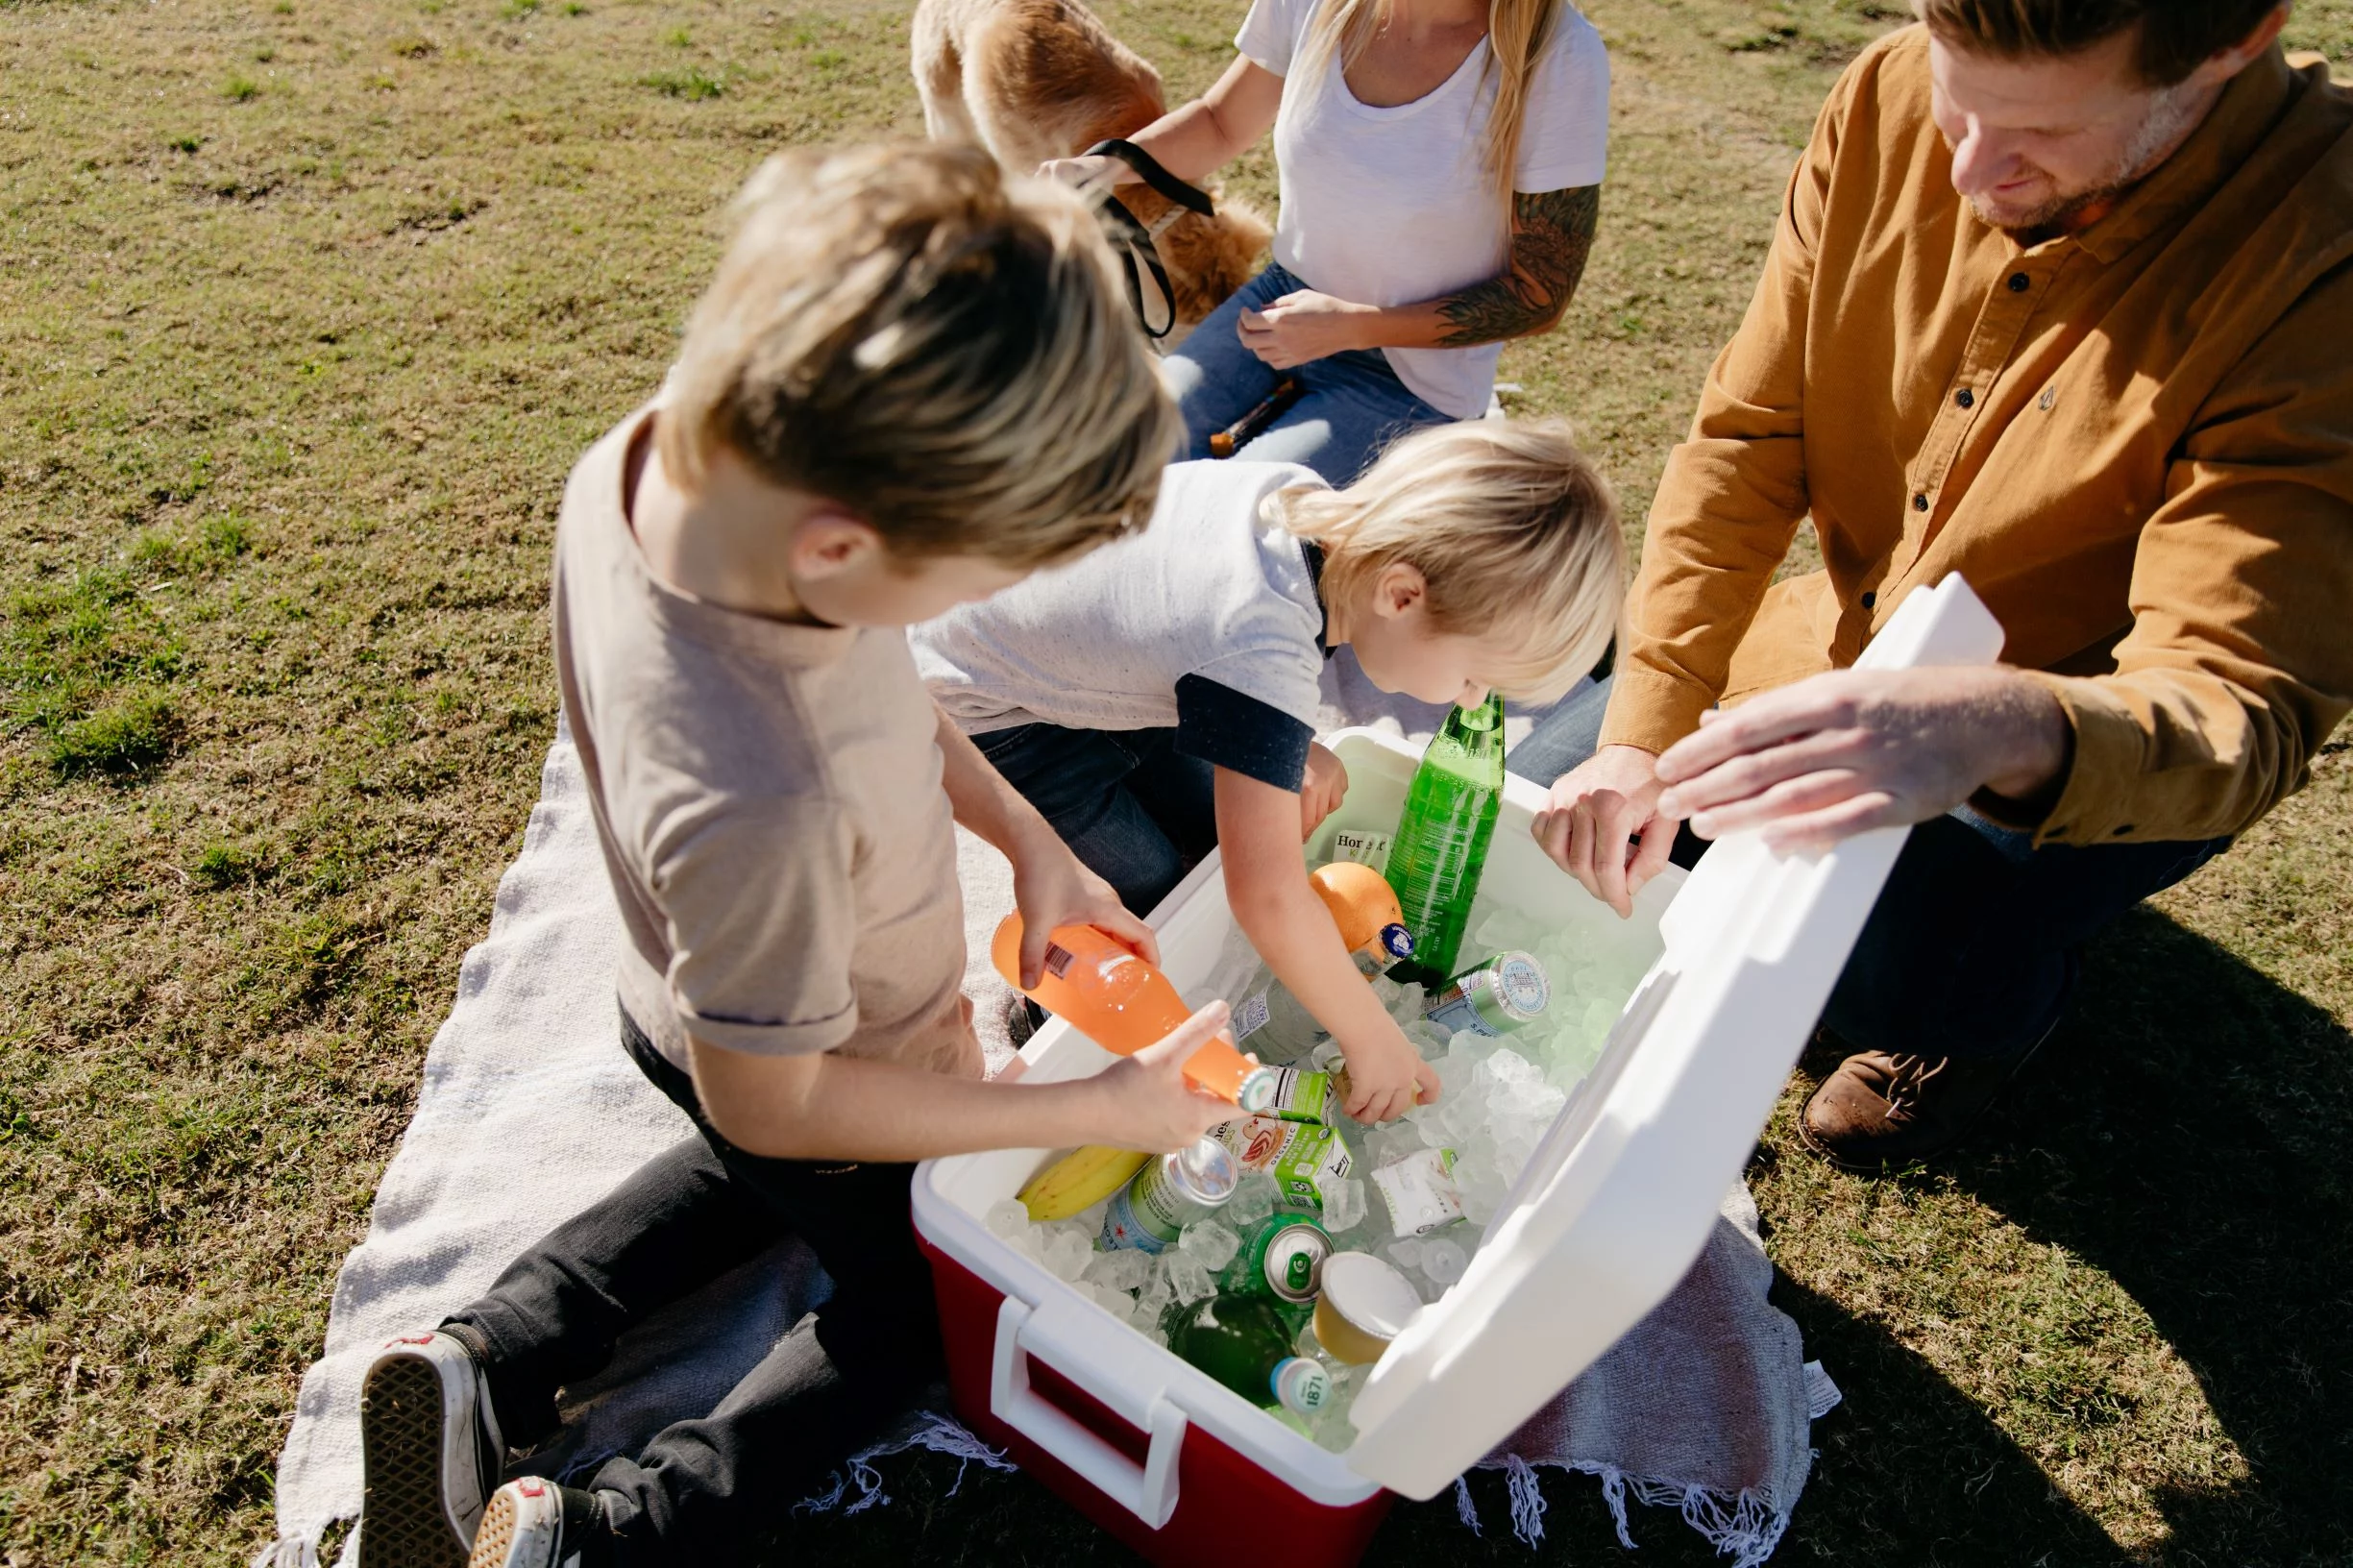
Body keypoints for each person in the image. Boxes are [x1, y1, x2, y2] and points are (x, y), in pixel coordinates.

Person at [352, 145, 1238, 1568]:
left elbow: (885, 680)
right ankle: (608, 1534)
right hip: (825, 1059)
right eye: (979, 579)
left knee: (727, 1175)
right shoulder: (762, 786)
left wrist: (1032, 842)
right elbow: (781, 1103)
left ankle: (492, 1353)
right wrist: (1097, 1109)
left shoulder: (680, 459)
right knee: (916, 1310)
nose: (983, 611)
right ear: (840, 548)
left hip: (702, 1003)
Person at [1515, 0, 2352, 1170]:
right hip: (1844, 645)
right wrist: (1638, 733)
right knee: (1558, 807)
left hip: (2085, 733)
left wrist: (2001, 726)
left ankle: (1982, 1014)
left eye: (2039, 133)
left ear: (2234, 42)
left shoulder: (2324, 254)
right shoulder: (1888, 89)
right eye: (1957, 101)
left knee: (1899, 961)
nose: (1967, 172)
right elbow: (1748, 441)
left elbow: (2236, 706)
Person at [913, 418, 1625, 1124]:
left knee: (1205, 846)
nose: (1470, 701)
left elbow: (1197, 637)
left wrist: (1276, 740)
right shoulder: (1261, 650)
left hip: (1085, 666)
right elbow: (1268, 898)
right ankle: (1051, 1010)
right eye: (1473, 677)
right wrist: (1371, 1036)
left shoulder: (1296, 501)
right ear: (1401, 595)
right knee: (1153, 888)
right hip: (987, 708)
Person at [1047, 0, 1610, 483]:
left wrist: (1352, 325)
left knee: (1236, 523)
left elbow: (1539, 294)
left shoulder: (1557, 56)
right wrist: (1102, 168)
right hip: (1280, 304)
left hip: (1414, 379)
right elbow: (1221, 122)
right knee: (1111, 460)